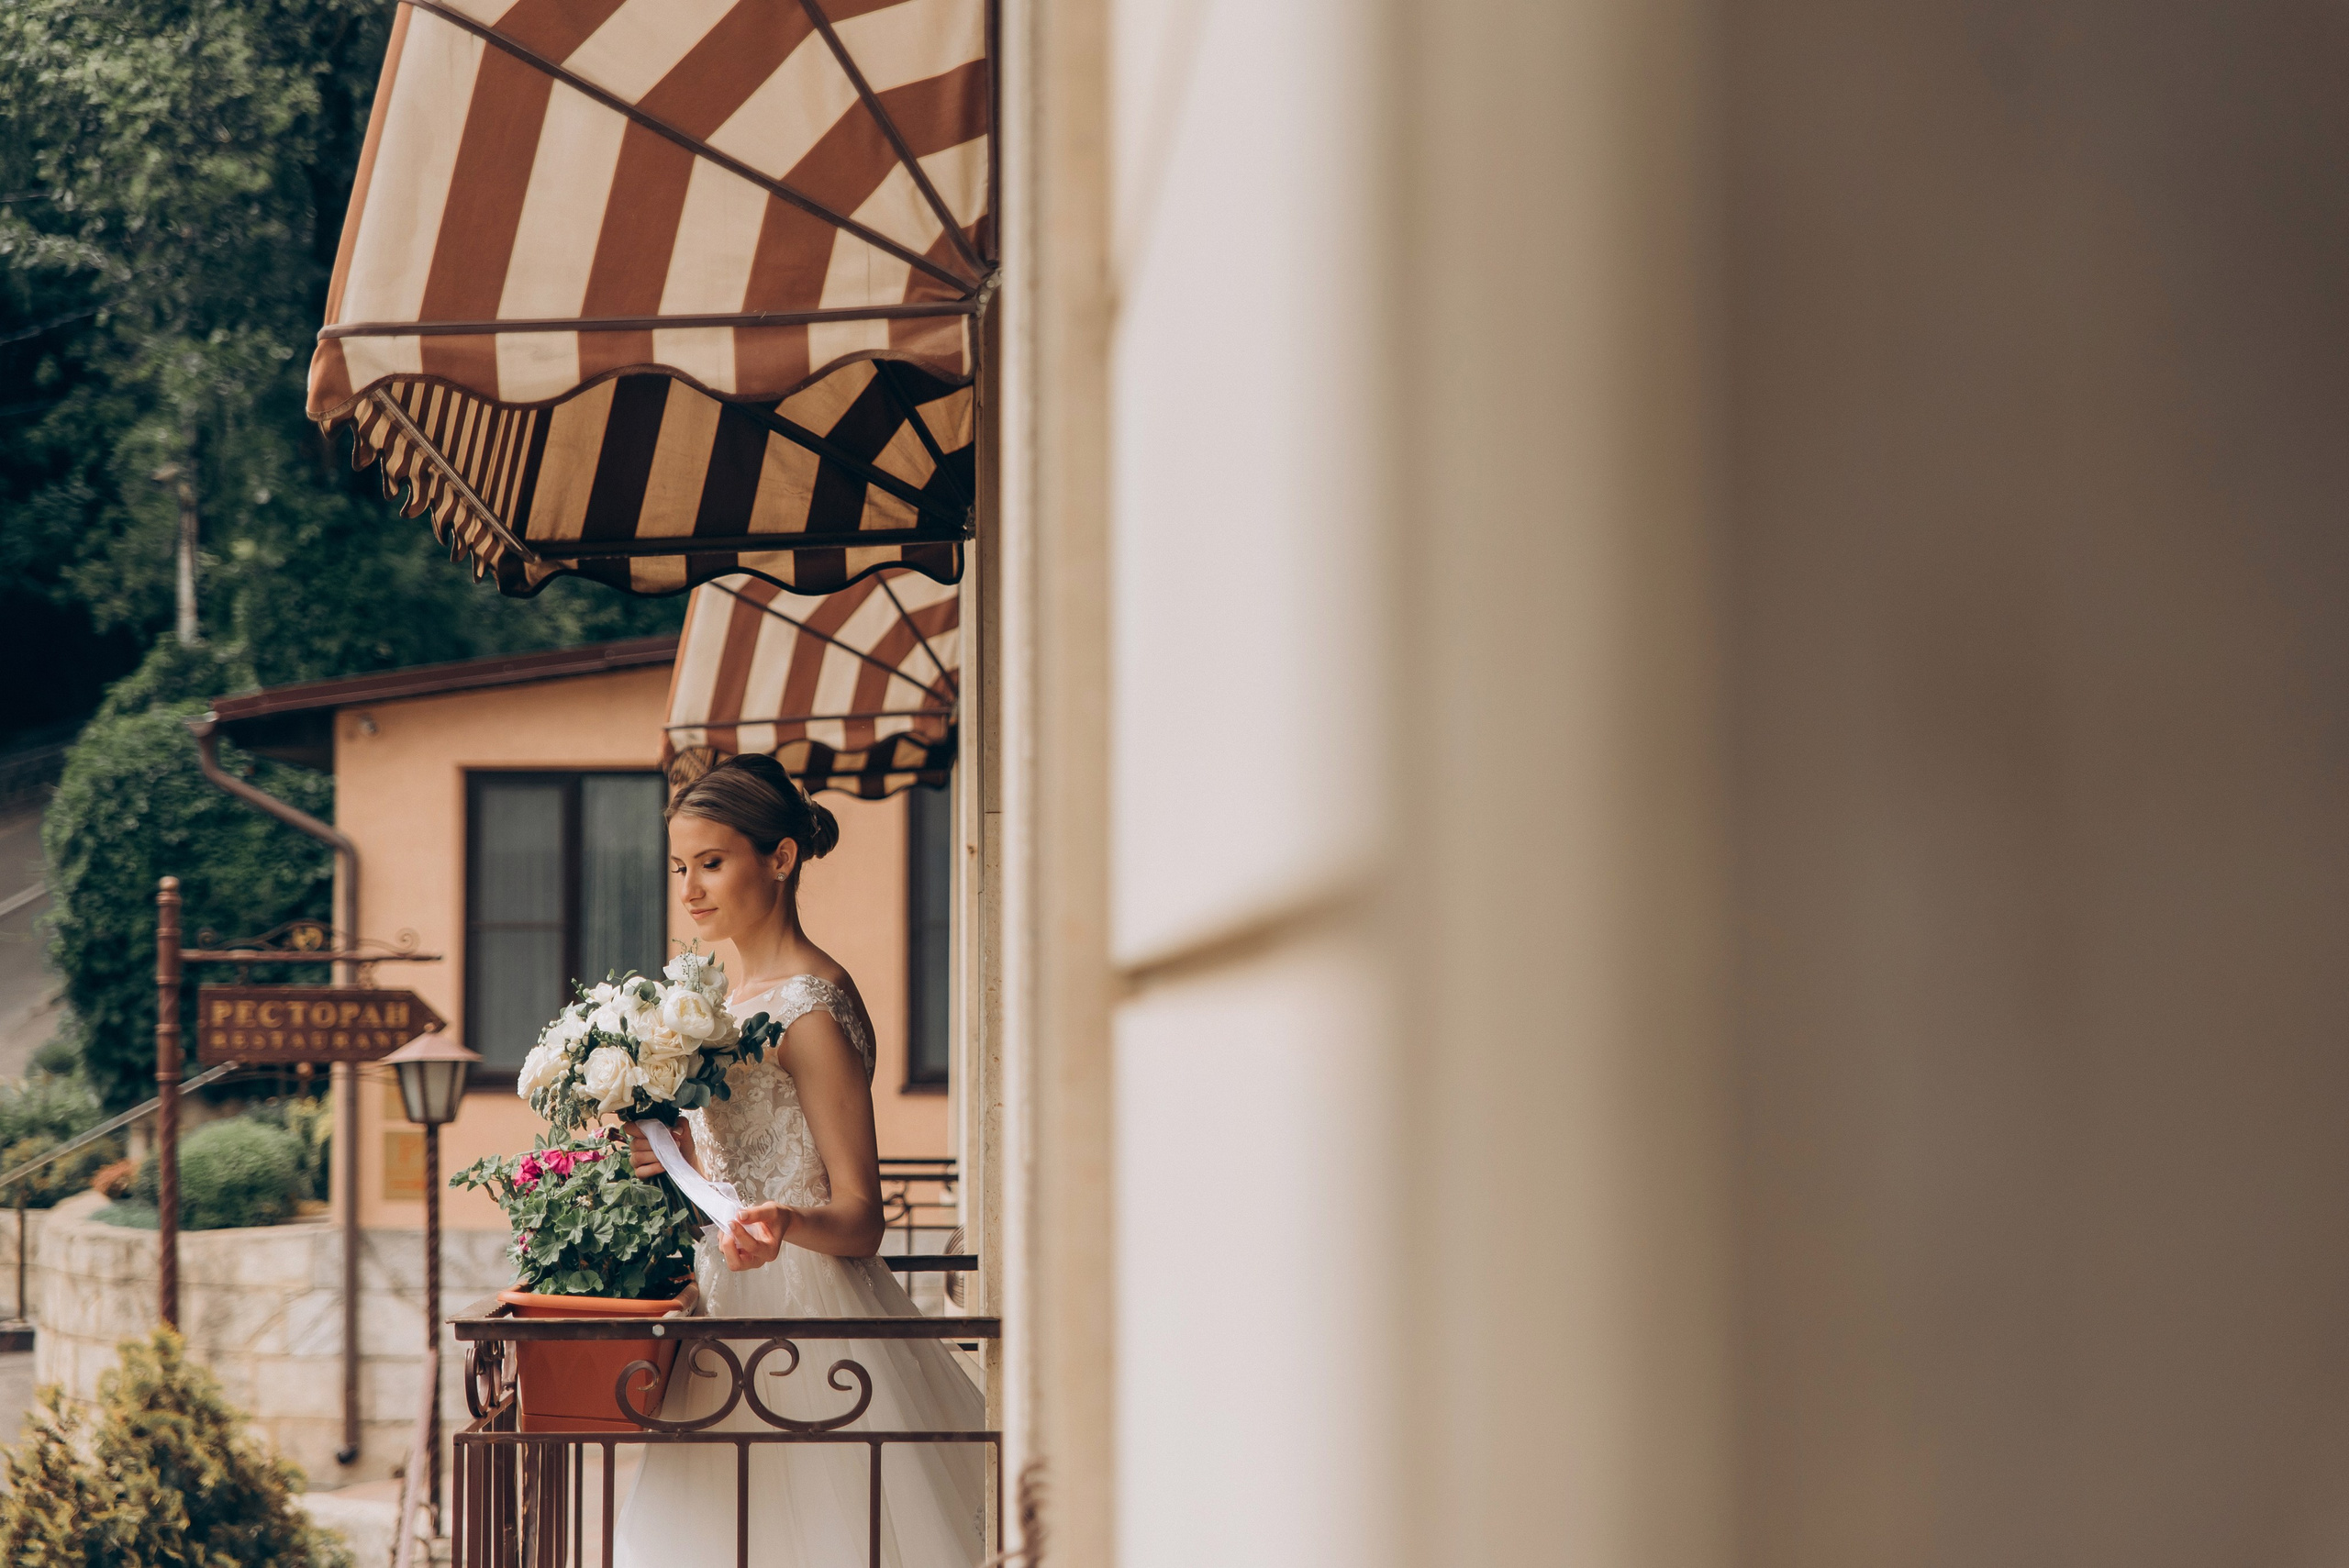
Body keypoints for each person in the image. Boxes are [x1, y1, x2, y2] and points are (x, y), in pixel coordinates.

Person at [610, 752, 985, 1567]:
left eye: (712, 862)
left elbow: (860, 1215)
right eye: (680, 865)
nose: (690, 889)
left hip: (811, 1330)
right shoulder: (725, 1004)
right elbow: (733, 1175)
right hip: (724, 1315)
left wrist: (783, 1219)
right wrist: (671, 1154)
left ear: (779, 858)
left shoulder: (810, 1005)